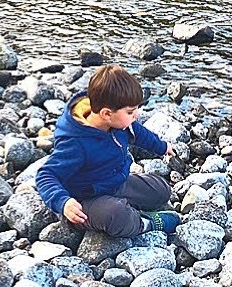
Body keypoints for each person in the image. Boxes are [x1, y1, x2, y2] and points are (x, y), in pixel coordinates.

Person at [35, 64, 182, 237]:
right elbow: (46, 175)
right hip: (86, 199)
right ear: (106, 114)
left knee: (161, 190)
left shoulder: (118, 122)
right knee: (116, 215)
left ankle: (130, 207)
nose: (137, 115)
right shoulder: (75, 142)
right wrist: (64, 202)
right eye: (131, 111)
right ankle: (145, 223)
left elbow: (140, 134)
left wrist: (162, 147)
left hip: (115, 182)